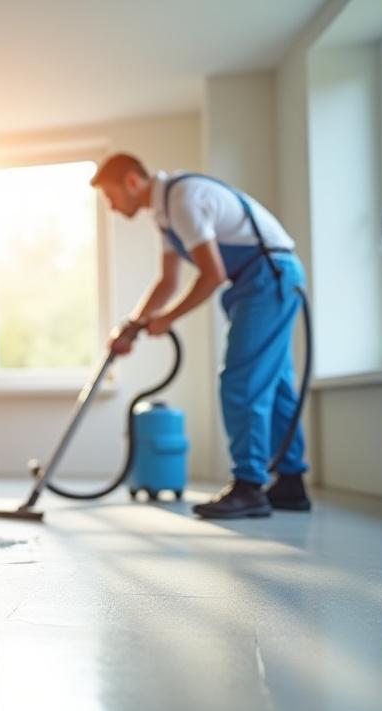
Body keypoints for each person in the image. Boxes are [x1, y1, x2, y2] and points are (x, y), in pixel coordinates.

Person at [91, 153, 310, 519]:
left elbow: (212, 274)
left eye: (111, 197)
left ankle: (249, 486)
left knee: (242, 381)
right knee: (276, 385)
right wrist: (133, 325)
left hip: (267, 276)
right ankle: (290, 483)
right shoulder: (164, 215)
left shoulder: (182, 199)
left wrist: (167, 320)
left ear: (132, 181)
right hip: (266, 278)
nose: (112, 208)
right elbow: (168, 282)